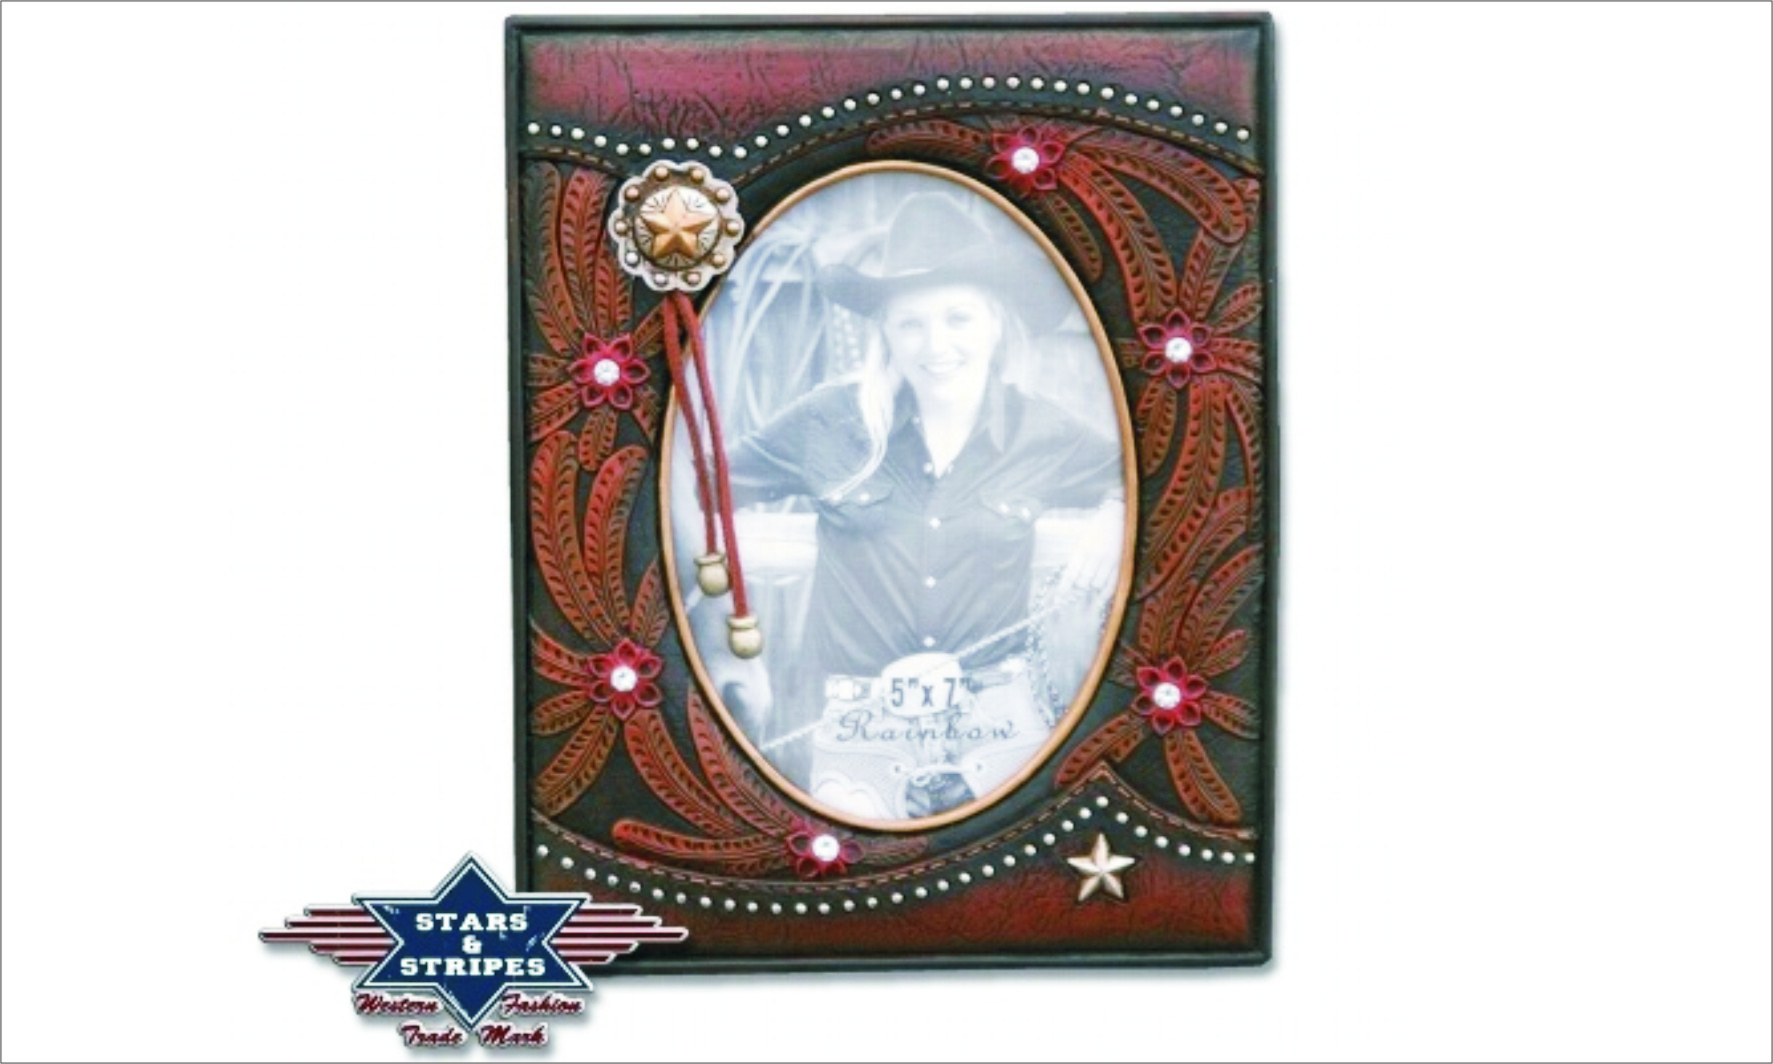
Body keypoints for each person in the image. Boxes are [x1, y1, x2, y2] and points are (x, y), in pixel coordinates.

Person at [714, 192, 1125, 821]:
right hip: (863, 725)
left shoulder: (1040, 430)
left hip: (994, 724)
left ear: (994, 323)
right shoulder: (830, 423)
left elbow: (1159, 480)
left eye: (958, 318)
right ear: (886, 333)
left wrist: (1117, 513)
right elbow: (698, 487)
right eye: (911, 323)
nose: (936, 343)